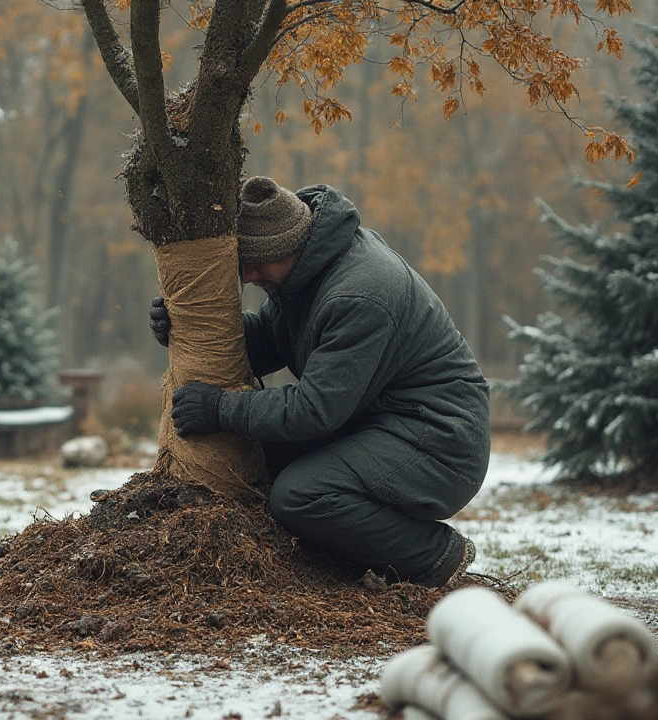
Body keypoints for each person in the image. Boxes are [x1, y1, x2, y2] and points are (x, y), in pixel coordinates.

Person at [149, 176, 489, 587]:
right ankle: (348, 554)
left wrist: (221, 408)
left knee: (300, 495)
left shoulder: (359, 294)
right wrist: (190, 326)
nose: (250, 275)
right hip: (378, 421)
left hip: (440, 442)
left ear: (288, 248)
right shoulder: (308, 273)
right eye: (245, 263)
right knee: (257, 452)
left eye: (257, 263)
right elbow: (266, 344)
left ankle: (434, 555)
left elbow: (314, 410)